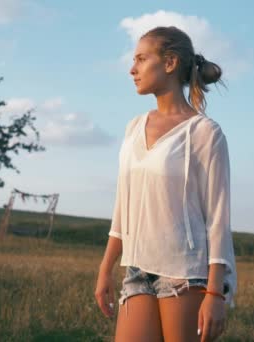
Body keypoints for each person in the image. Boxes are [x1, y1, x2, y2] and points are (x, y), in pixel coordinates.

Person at [95, 26, 237, 342]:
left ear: (170, 63)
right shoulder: (134, 127)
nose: (133, 69)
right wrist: (106, 267)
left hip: (187, 274)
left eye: (142, 59)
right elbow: (124, 205)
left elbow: (218, 220)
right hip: (136, 269)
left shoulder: (204, 133)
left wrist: (215, 292)